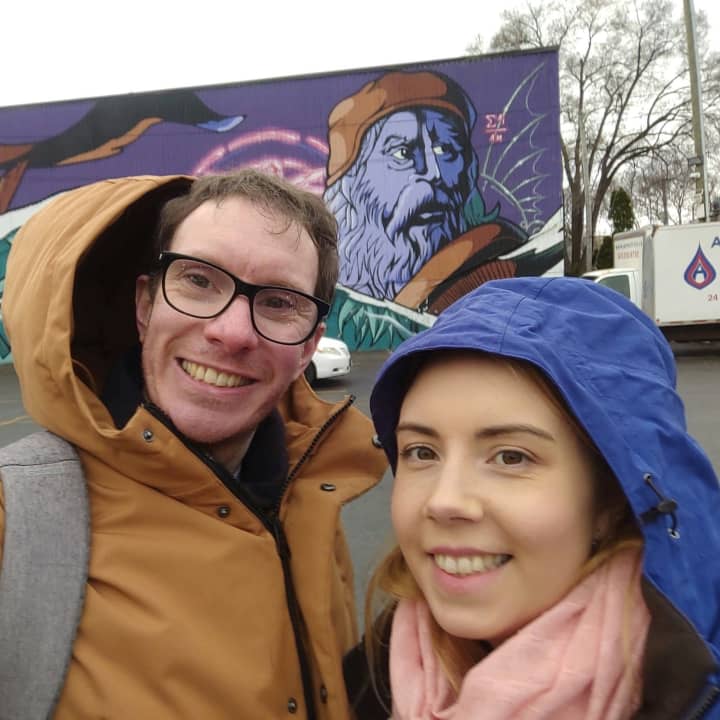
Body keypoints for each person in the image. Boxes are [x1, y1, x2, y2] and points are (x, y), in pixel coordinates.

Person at [0, 169, 387, 719]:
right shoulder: (15, 517)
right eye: (199, 280)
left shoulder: (310, 500)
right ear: (145, 306)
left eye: (279, 302)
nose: (233, 332)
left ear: (307, 348)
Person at [346, 276, 720, 719]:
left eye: (511, 457)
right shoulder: (374, 674)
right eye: (422, 452)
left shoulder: (690, 692)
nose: (444, 501)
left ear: (610, 501)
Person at [323, 70, 562, 313]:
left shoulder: (499, 268)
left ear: (467, 169)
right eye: (403, 153)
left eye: (445, 149)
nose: (433, 172)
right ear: (350, 185)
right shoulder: (317, 291)